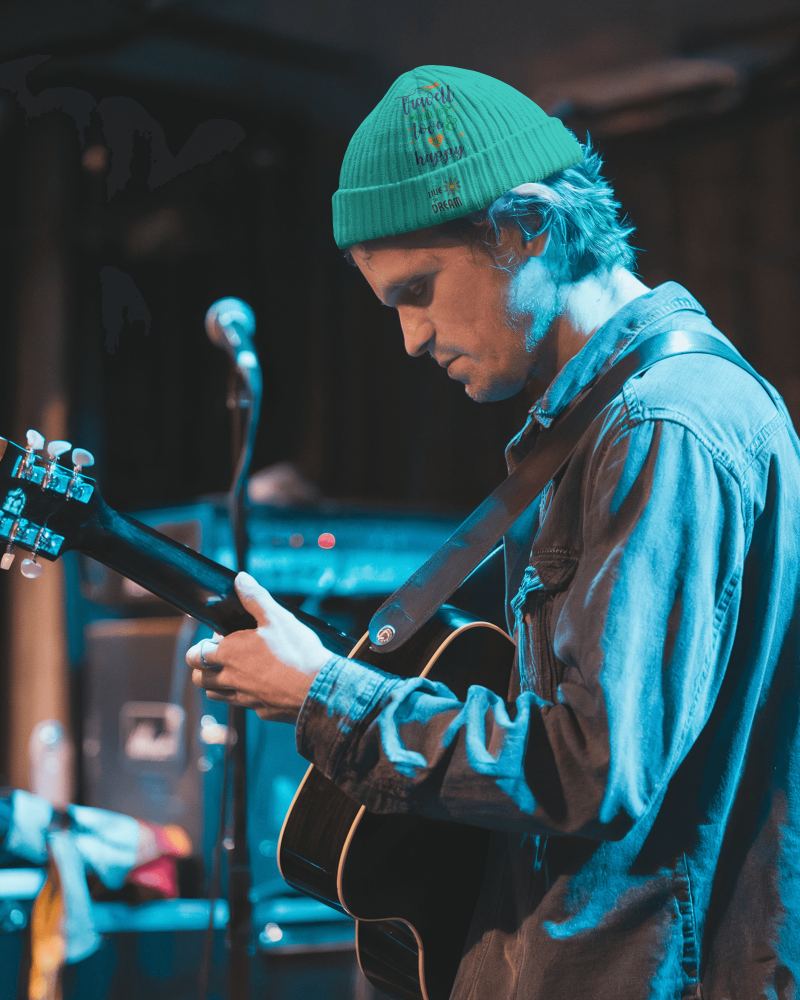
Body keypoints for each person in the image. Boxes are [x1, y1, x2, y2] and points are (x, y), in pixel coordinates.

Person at [186, 66, 800, 999]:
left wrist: (325, 695)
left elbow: (588, 770)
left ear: (525, 227)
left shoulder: (663, 426)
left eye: (419, 290)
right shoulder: (603, 426)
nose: (410, 337)